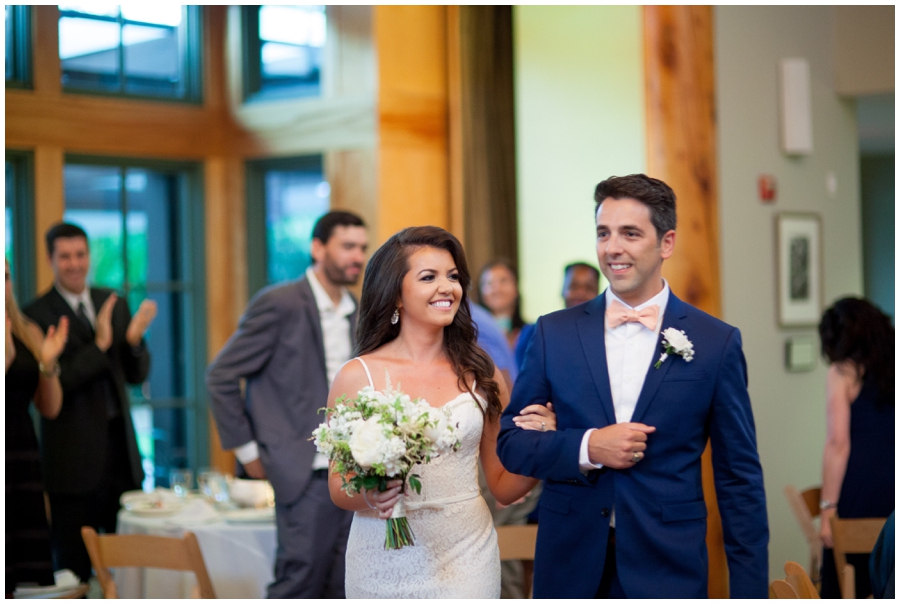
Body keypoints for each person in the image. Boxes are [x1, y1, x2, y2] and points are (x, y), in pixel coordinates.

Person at [497, 174, 768, 598]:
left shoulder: (716, 342)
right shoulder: (554, 333)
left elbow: (739, 478)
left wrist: (750, 591)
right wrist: (587, 446)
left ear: (667, 243)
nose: (612, 248)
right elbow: (511, 443)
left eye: (630, 233)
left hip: (668, 564)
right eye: (603, 233)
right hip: (569, 562)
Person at [326, 226, 556, 598]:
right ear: (396, 294)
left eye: (452, 276)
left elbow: (502, 483)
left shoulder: (482, 373)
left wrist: (543, 447)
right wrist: (372, 496)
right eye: (428, 277)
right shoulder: (357, 376)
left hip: (466, 553)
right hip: (381, 556)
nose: (447, 287)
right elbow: (339, 486)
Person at [206, 211, 368, 598]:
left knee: (345, 584)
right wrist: (248, 451)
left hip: (355, 471)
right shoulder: (279, 303)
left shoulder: (359, 310)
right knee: (299, 582)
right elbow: (220, 376)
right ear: (317, 248)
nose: (357, 257)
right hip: (302, 470)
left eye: (362, 248)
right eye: (347, 246)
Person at [24, 223, 156, 582]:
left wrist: (133, 341)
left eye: (80, 255)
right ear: (51, 260)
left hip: (121, 458)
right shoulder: (35, 314)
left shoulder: (111, 302)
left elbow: (134, 376)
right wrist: (99, 345)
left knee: (130, 568)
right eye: (65, 256)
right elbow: (57, 384)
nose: (74, 264)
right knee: (75, 572)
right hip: (72, 466)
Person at [817, 297, 895, 598]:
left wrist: (828, 510)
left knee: (847, 577)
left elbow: (838, 444)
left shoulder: (843, 372)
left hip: (861, 493)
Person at [6, 260, 69, 593]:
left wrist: (48, 364)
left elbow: (50, 407)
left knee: (25, 573)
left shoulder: (26, 329)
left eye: (5, 277)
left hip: (22, 456)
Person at [515, 261, 601, 369]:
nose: (580, 293)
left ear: (599, 294)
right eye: (573, 286)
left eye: (589, 288)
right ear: (562, 290)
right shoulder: (535, 333)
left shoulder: (606, 336)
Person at [477, 259, 530, 352]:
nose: (497, 289)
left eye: (503, 281)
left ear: (516, 288)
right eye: (489, 283)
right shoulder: (473, 336)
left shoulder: (531, 333)